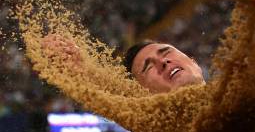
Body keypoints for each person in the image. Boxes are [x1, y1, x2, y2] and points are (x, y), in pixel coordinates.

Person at [40, 34, 205, 94]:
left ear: (193, 61)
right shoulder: (154, 129)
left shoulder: (230, 92)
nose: (162, 61)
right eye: (148, 67)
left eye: (166, 52)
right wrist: (81, 72)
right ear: (143, 93)